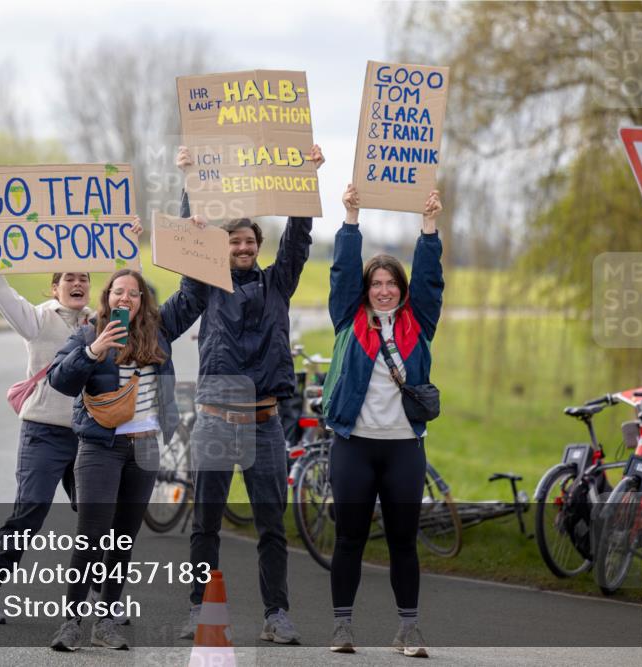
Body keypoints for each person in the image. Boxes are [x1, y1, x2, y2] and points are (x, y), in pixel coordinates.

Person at [176, 144, 324, 645]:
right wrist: (190, 180)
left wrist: (304, 179)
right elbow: (186, 245)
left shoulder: (278, 284)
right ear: (224, 247)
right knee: (205, 525)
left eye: (248, 242)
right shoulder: (208, 285)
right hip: (215, 420)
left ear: (257, 246)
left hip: (264, 423)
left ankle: (275, 613)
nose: (241, 248)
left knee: (271, 526)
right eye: (234, 242)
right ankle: (200, 610)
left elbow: (298, 243)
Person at [0, 216, 144, 624]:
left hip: (91, 436)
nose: (77, 284)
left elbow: (135, 296)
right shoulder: (37, 319)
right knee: (31, 510)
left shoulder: (105, 321)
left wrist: (131, 246)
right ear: (55, 286)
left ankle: (103, 596)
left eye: (83, 277)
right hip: (44, 432)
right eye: (68, 279)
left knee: (98, 516)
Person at [46, 268, 204, 651]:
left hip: (145, 447)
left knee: (121, 541)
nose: (126, 299)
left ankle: (106, 620)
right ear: (108, 297)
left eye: (134, 294)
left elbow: (193, 291)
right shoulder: (88, 333)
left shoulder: (159, 333)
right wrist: (94, 351)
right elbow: (59, 380)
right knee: (91, 538)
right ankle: (71, 622)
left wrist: (190, 226)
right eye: (119, 292)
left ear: (143, 301)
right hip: (100, 447)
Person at [322, 184, 443, 657]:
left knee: (403, 542)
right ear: (367, 289)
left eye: (392, 283)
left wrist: (428, 227)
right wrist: (351, 217)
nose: (385, 290)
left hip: (403, 448)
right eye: (377, 284)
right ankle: (342, 628)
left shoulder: (419, 323)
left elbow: (431, 280)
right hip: (354, 445)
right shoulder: (347, 319)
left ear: (401, 289)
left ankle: (408, 630)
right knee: (349, 537)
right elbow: (341, 272)